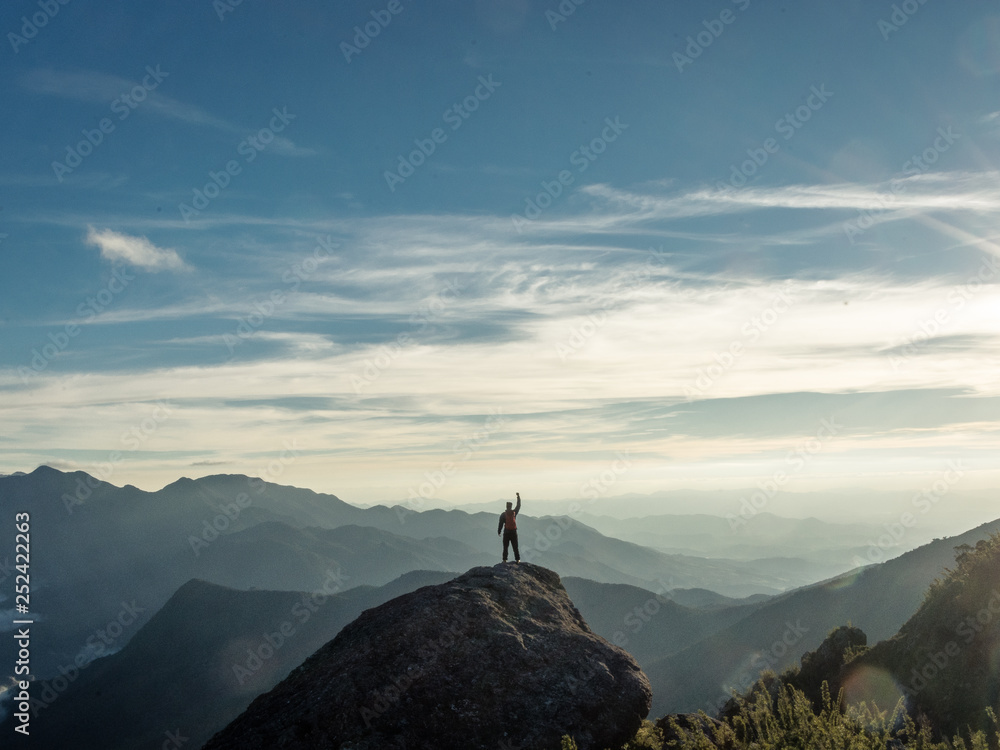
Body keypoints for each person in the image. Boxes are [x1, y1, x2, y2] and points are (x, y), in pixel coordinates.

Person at [497, 492, 521, 563]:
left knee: (505, 547)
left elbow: (500, 523)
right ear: (511, 506)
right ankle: (518, 559)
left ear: (506, 506)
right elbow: (518, 505)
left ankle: (504, 560)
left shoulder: (503, 514)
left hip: (506, 532)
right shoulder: (514, 513)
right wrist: (518, 497)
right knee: (515, 547)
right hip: (514, 532)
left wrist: (499, 531)